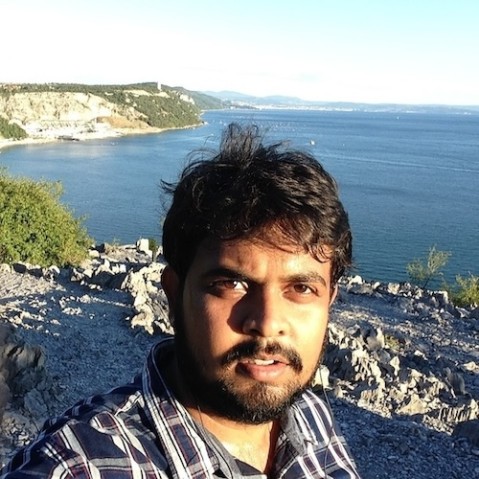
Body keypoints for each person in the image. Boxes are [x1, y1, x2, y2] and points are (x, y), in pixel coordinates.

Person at [1, 123, 361, 478]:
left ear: (329, 302)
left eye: (302, 289)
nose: (267, 323)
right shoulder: (77, 467)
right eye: (232, 284)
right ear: (174, 294)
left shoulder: (308, 413)